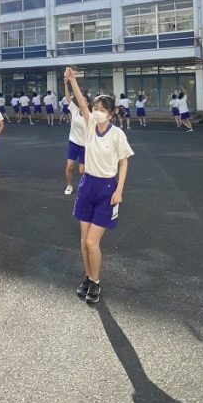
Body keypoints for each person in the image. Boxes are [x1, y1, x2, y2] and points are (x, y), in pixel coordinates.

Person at [63, 68, 133, 305]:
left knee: (93, 242)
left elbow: (124, 162)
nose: (97, 112)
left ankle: (96, 281)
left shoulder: (117, 135)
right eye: (96, 109)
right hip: (87, 187)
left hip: (107, 190)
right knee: (83, 242)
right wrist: (73, 80)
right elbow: (81, 103)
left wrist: (119, 190)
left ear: (110, 114)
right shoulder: (90, 126)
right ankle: (87, 277)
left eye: (102, 110)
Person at [63, 89, 87, 196]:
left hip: (85, 146)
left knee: (82, 171)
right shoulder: (74, 110)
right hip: (73, 143)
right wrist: (66, 84)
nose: (82, 102)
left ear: (88, 104)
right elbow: (68, 97)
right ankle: (69, 185)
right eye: (81, 100)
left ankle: (84, 187)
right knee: (69, 167)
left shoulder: (90, 116)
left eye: (84, 101)